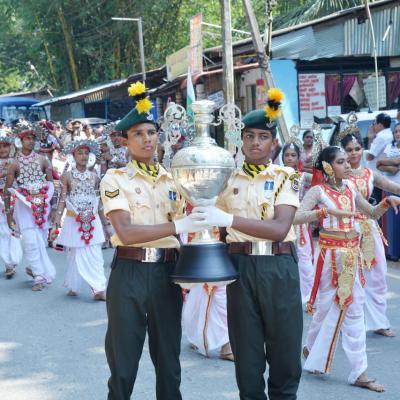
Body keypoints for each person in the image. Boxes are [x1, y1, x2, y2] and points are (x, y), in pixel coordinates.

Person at [100, 81, 209, 400]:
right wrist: (179, 224)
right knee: (123, 364)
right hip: (130, 273)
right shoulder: (114, 179)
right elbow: (127, 232)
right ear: (125, 141)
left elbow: (203, 209)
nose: (147, 139)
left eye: (151, 132)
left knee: (169, 363)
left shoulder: (174, 179)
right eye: (138, 134)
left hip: (166, 275)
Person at [192, 88, 303, 400]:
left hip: (279, 266)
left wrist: (228, 220)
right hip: (240, 267)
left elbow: (280, 228)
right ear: (241, 141)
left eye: (263, 137)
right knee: (247, 350)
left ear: (274, 142)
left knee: (284, 347)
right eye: (250, 136)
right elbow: (211, 220)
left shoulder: (288, 176)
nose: (256, 143)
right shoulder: (227, 179)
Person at [295, 145, 400, 391]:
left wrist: (386, 201)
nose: (349, 164)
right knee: (324, 309)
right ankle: (311, 348)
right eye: (342, 161)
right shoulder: (318, 191)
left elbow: (372, 213)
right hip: (331, 258)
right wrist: (325, 211)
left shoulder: (351, 187)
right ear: (329, 167)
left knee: (354, 312)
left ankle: (359, 372)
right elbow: (296, 217)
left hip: (353, 257)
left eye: (348, 160)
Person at [343, 132, 400, 336]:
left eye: (357, 149)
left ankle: (379, 322)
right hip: (346, 230)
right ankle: (347, 322)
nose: (354, 153)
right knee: (348, 277)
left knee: (377, 275)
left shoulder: (369, 173)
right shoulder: (339, 176)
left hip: (369, 227)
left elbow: (391, 186)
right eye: (349, 150)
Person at [50, 139, 107, 300]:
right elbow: (62, 200)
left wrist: (106, 225)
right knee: (74, 253)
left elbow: (99, 202)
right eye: (80, 153)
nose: (83, 156)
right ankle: (73, 285)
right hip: (73, 220)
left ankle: (98, 288)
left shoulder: (95, 177)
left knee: (95, 254)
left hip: (93, 220)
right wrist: (56, 222)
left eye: (86, 153)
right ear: (72, 156)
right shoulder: (66, 176)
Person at [5, 123, 56, 291]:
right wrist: (8, 213)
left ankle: (33, 268)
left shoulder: (43, 159)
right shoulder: (14, 163)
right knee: (30, 241)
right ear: (20, 140)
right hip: (23, 206)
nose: (31, 141)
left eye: (33, 138)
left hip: (41, 206)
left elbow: (50, 185)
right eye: (27, 138)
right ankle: (39, 276)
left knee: (40, 240)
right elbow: (8, 188)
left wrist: (53, 208)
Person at [282, 141, 314, 304]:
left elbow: (321, 183)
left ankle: (308, 296)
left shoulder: (303, 176)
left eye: (293, 155)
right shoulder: (276, 175)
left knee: (304, 257)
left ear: (298, 157)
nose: (289, 158)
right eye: (286, 155)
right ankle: (288, 294)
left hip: (299, 222)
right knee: (283, 257)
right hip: (281, 221)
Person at [377, 122, 400, 261]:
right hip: (389, 188)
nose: (398, 134)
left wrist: (388, 163)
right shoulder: (389, 146)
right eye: (396, 131)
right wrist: (393, 165)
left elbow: (386, 162)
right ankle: (392, 252)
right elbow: (379, 163)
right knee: (390, 223)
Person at [0, 133, 22, 278]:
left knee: (14, 229)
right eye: (0, 146)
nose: (2, 149)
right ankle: (8, 263)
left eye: (5, 146)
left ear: (11, 147)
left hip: (13, 198)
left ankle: (14, 261)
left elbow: (21, 178)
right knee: (2, 232)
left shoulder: (16, 161)